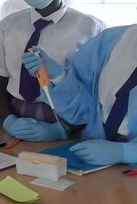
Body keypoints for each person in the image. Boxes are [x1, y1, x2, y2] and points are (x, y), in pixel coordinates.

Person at [0, 0, 105, 142]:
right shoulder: (8, 25)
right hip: (15, 121)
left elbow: (96, 92)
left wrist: (64, 130)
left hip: (67, 124)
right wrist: (8, 120)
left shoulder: (90, 28)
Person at [22, 25, 137, 166]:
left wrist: (127, 152)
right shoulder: (110, 41)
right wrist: (58, 77)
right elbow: (81, 111)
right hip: (93, 151)